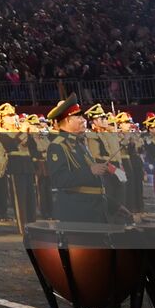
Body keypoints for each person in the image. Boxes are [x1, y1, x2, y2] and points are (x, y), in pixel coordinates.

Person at [45, 94, 112, 223]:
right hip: (78, 211)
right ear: (68, 120)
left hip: (94, 208)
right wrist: (90, 171)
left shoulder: (78, 143)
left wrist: (114, 206)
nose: (83, 120)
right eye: (78, 116)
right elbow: (59, 180)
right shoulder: (58, 146)